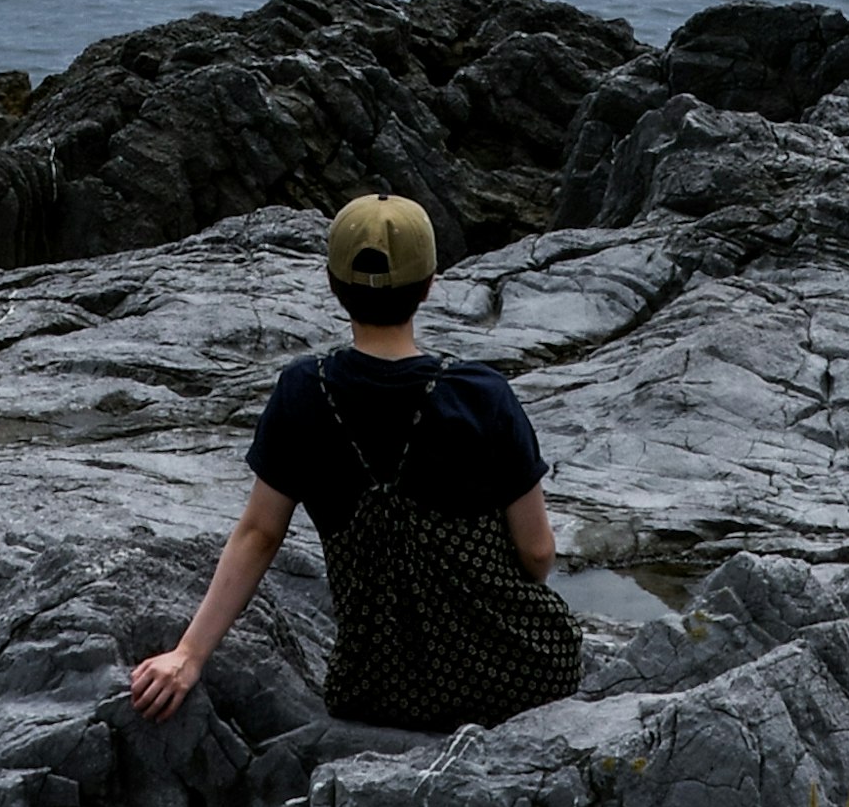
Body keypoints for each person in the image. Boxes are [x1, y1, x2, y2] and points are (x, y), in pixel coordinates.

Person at [125, 186, 585, 734]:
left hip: (377, 689)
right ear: (429, 287)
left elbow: (259, 535)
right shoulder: (481, 393)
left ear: (333, 285)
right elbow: (537, 555)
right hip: (522, 676)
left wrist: (189, 654)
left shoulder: (303, 390)